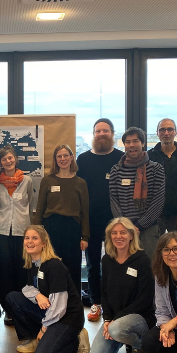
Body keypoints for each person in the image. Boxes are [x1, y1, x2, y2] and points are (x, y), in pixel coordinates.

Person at [6, 225, 90, 353]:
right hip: (50, 311)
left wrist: (44, 329)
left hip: (67, 318)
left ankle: (75, 342)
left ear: (44, 243)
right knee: (13, 298)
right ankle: (35, 339)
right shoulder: (33, 263)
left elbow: (59, 306)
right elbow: (27, 288)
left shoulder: (55, 266)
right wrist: (38, 295)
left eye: (34, 238)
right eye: (27, 238)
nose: (29, 241)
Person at [76, 118, 125, 323]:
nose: (102, 134)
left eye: (105, 131)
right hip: (90, 221)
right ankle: (96, 302)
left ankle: (115, 304)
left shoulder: (121, 158)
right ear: (93, 134)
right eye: (98, 131)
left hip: (117, 222)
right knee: (93, 264)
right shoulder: (83, 159)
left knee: (116, 264)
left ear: (112, 133)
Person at [90, 218, 155, 353]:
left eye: (123, 232)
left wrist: (115, 320)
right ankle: (124, 338)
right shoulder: (107, 260)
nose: (118, 236)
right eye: (114, 233)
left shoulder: (142, 260)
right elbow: (104, 293)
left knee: (116, 329)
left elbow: (145, 299)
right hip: (115, 320)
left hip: (140, 317)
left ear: (131, 235)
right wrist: (107, 319)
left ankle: (141, 345)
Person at [33, 144, 89, 293]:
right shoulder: (47, 181)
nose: (63, 159)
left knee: (72, 267)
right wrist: (37, 233)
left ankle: (73, 303)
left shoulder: (80, 183)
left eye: (65, 155)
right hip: (51, 228)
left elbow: (84, 212)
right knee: (50, 266)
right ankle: (49, 301)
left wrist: (85, 236)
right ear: (55, 159)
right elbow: (40, 209)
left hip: (72, 229)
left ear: (71, 157)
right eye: (59, 156)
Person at [0, 145, 34, 325]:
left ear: (15, 159)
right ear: (0, 163)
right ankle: (8, 310)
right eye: (4, 159)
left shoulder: (27, 181)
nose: (8, 161)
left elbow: (30, 205)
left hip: (22, 232)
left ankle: (21, 308)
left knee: (22, 271)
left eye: (10, 158)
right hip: (1, 231)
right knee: (3, 272)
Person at [109, 127, 165, 259]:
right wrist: (126, 227)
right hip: (123, 230)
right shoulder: (116, 170)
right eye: (128, 142)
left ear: (143, 143)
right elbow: (114, 200)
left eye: (135, 141)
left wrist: (139, 226)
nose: (131, 145)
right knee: (125, 266)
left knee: (150, 266)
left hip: (148, 230)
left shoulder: (156, 169)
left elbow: (158, 202)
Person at [150, 118, 177, 235]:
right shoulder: (148, 156)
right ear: (157, 133)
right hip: (154, 214)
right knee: (154, 246)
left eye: (170, 129)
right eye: (162, 130)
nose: (166, 133)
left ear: (175, 132)